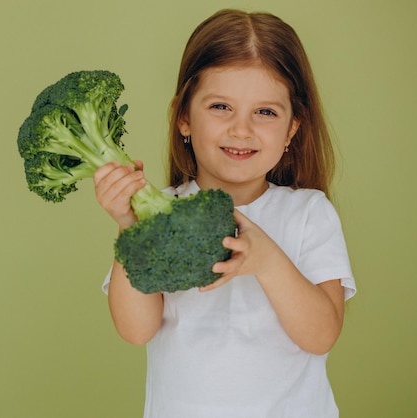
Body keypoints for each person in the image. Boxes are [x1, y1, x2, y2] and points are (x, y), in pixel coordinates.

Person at [93, 8, 356, 418]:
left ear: (292, 130)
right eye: (220, 107)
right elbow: (135, 330)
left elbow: (322, 335)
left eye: (265, 112)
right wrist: (131, 226)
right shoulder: (162, 212)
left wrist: (268, 261)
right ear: (183, 118)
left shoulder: (308, 212)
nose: (241, 129)